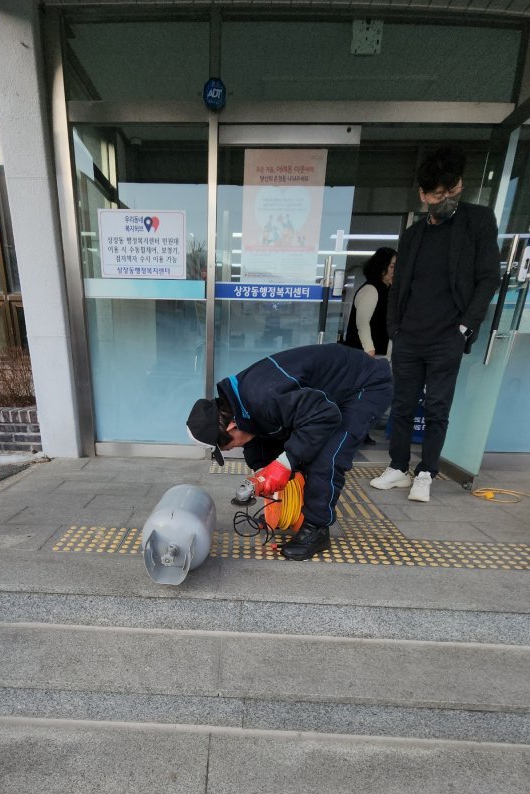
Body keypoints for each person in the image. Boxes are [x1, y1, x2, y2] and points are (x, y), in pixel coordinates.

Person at [370, 145, 500, 503]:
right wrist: (394, 327)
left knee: (438, 407)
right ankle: (398, 467)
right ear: (423, 194)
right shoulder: (412, 234)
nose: (446, 199)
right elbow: (400, 286)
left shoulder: (477, 221)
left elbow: (489, 277)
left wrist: (464, 327)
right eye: (438, 194)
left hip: (448, 335)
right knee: (402, 404)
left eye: (453, 190)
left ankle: (426, 472)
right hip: (410, 335)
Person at [186, 343, 392, 561]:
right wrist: (264, 472)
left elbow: (325, 416)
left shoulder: (264, 396)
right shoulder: (240, 405)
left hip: (365, 385)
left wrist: (286, 463)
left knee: (327, 457)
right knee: (296, 447)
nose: (233, 449)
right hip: (328, 396)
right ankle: (304, 504)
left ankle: (317, 529)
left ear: (231, 427)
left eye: (228, 446)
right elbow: (258, 434)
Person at [344, 246, 397, 357]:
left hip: (376, 356)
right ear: (381, 268)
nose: (395, 271)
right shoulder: (371, 289)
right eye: (392, 267)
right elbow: (362, 323)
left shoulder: (387, 290)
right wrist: (369, 350)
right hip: (364, 355)